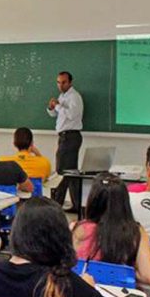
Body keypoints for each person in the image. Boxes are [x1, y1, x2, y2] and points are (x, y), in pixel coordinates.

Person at [71, 173, 150, 286]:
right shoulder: (135, 232)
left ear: (92, 200)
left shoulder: (76, 229)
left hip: (85, 293)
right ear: (124, 202)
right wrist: (125, 272)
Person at [47, 72, 84, 211]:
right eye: (58, 82)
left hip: (70, 136)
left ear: (70, 83)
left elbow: (70, 114)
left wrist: (57, 106)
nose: (60, 85)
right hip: (64, 137)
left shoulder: (74, 97)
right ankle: (76, 205)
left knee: (61, 172)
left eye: (63, 82)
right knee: (71, 173)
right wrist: (51, 108)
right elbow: (57, 114)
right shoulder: (62, 96)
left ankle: (56, 205)